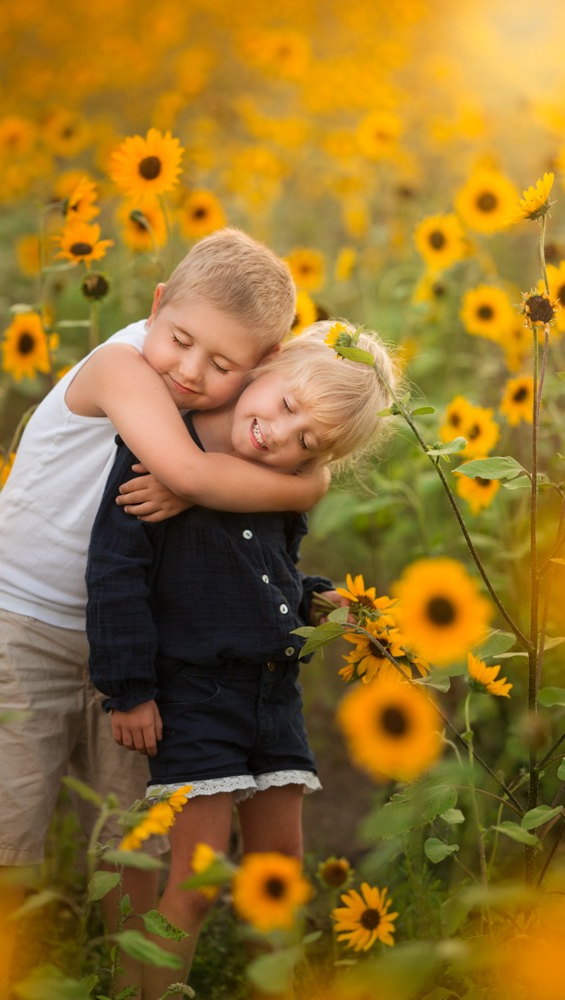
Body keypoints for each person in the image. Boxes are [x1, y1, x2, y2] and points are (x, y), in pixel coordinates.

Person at [0, 228, 333, 992]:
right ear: (157, 305)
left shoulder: (231, 413)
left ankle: (136, 986)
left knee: (137, 837)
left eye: (222, 364)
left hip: (136, 644)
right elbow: (187, 470)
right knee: (3, 828)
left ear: (258, 366)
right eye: (181, 340)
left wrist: (303, 486)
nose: (190, 372)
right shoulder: (121, 365)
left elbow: (289, 480)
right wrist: (268, 484)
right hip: (25, 624)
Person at [86, 321, 398, 999]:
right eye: (286, 407)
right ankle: (145, 993)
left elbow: (269, 572)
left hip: (271, 694)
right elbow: (115, 573)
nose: (277, 436)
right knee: (198, 878)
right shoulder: (162, 452)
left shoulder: (272, 486)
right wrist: (128, 688)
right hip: (195, 696)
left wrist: (317, 600)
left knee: (278, 870)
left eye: (306, 443)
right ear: (270, 365)